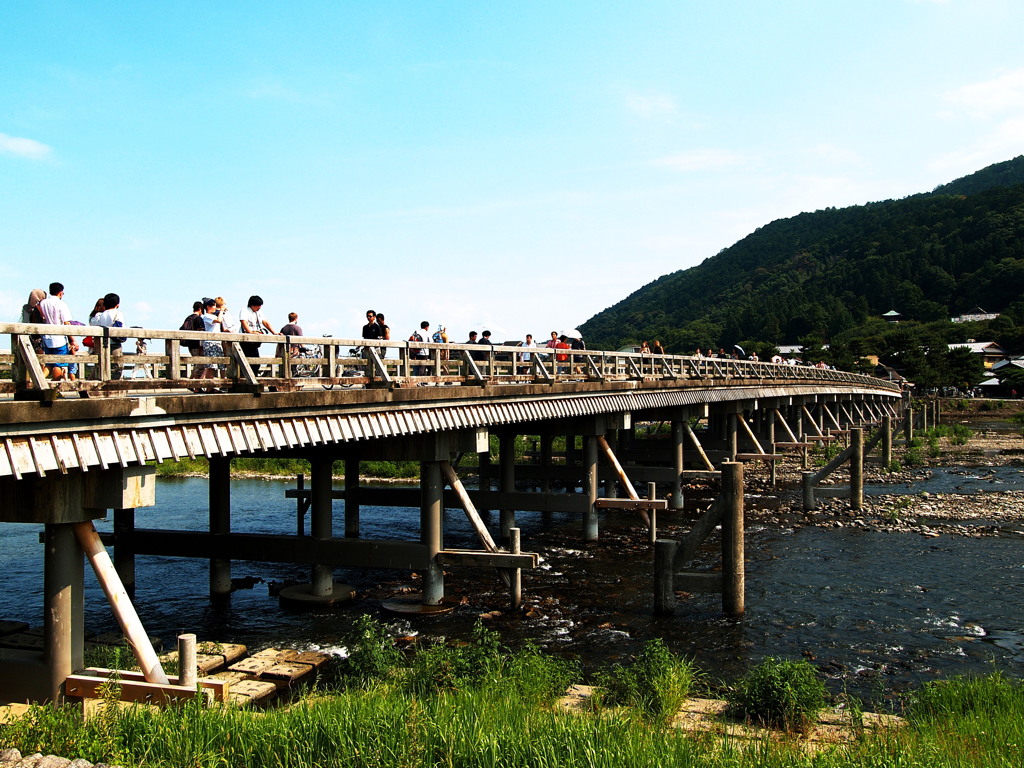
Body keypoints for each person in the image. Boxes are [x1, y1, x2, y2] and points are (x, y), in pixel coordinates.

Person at [36, 282, 77, 380]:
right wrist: (73, 339)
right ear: (60, 293)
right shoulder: (61, 304)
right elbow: (66, 323)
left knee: (49, 364)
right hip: (59, 339)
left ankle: (38, 381)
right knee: (59, 363)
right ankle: (55, 389)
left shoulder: (42, 303)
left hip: (46, 338)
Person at [91, 292, 127, 379]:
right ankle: (114, 388)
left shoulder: (100, 315)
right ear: (117, 304)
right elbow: (121, 328)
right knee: (116, 367)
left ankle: (92, 385)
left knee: (101, 366)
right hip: (114, 343)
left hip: (102, 344)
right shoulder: (118, 314)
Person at [239, 295, 276, 376]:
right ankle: (245, 380)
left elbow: (265, 322)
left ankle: (252, 378)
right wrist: (250, 332)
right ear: (252, 305)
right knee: (245, 361)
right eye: (258, 305)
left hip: (254, 341)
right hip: (245, 340)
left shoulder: (259, 312)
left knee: (256, 363)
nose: (260, 307)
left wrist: (274, 333)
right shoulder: (245, 310)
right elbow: (243, 322)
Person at [198, 298, 225, 391]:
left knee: (213, 367)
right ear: (208, 307)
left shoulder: (212, 316)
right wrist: (221, 310)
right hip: (210, 342)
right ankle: (201, 386)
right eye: (213, 306)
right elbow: (219, 320)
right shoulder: (207, 316)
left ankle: (209, 387)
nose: (215, 307)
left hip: (217, 342)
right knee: (210, 366)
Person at [179, 301, 205, 378]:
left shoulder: (188, 318)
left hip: (190, 345)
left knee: (197, 364)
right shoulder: (198, 319)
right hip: (197, 345)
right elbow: (201, 334)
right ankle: (193, 382)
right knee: (200, 364)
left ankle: (195, 385)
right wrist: (201, 346)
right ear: (200, 309)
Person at [20, 288, 46, 353]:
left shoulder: (26, 308)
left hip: (28, 337)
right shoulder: (40, 308)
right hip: (39, 338)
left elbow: (25, 321)